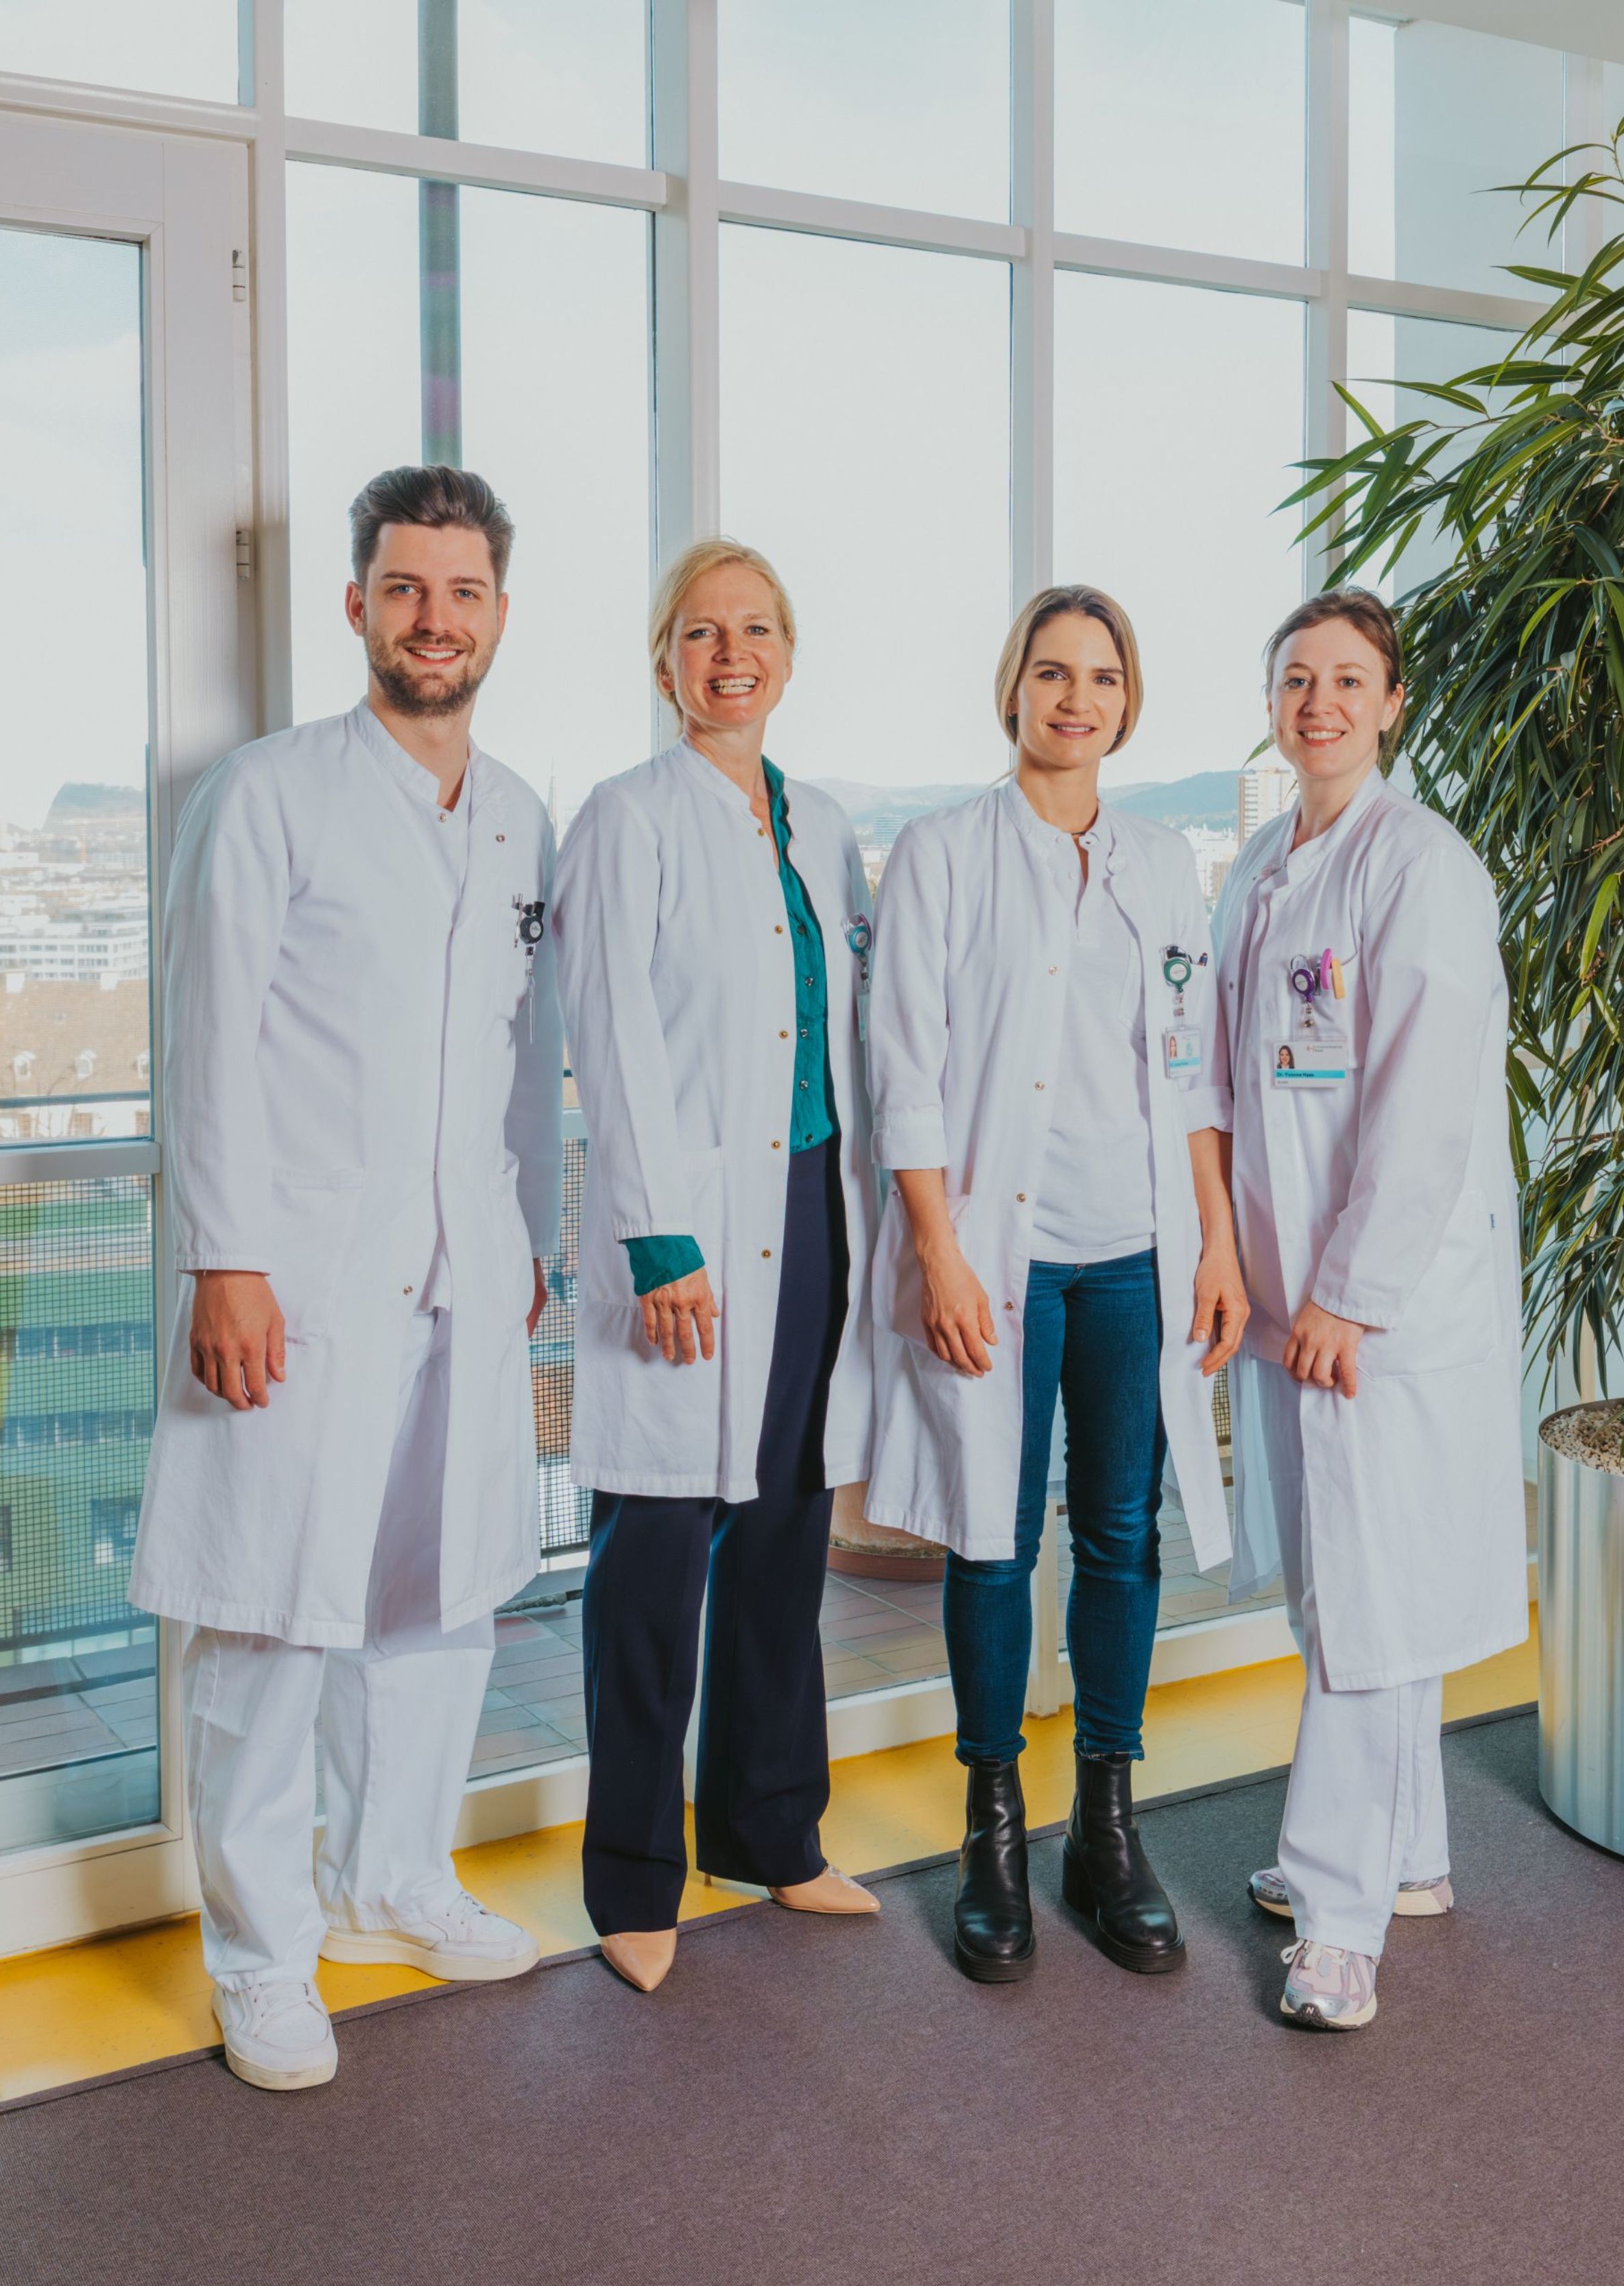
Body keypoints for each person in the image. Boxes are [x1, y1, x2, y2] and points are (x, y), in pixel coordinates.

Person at [131, 466, 560, 2092]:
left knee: (438, 1589)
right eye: (404, 587)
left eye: (460, 592)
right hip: (295, 1271)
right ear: (358, 606)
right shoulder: (269, 794)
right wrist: (222, 1258)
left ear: (498, 615)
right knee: (268, 1612)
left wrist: (516, 1240)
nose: (432, 618)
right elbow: (207, 1047)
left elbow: (520, 1056)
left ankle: (395, 1878)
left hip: (462, 1267)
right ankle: (259, 1948)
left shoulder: (517, 807)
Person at [865, 585, 1247, 1984]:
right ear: (1011, 693)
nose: (1072, 697)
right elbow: (899, 1067)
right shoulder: (940, 853)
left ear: (1125, 703)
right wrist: (936, 1250)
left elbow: (1193, 1067)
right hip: (998, 1256)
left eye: (1097, 676)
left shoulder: (1160, 863)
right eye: (1048, 673)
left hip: (1134, 1254)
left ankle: (1103, 1825)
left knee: (1120, 1537)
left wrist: (1212, 1235)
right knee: (988, 1537)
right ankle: (992, 1830)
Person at [554, 539, 880, 1994]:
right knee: (655, 1543)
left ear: (789, 653)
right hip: (684, 1220)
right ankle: (630, 1869)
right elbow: (611, 1039)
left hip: (811, 1207)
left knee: (784, 1530)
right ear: (663, 658)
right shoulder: (627, 820)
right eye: (700, 632)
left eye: (754, 630)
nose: (728, 653)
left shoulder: (820, 830)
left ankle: (767, 1827)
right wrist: (659, 1235)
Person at [1213, 588, 1527, 2032]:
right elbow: (1228, 1078)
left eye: (1346, 679)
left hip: (1375, 1308)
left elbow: (1419, 1109)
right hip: (1291, 1303)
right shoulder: (1264, 868)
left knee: (1356, 1594)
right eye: (1296, 678)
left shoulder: (1423, 868)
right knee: (1365, 1582)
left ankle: (1335, 1917)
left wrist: (1345, 1291)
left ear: (1391, 702)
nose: (1318, 702)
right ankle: (1407, 1851)